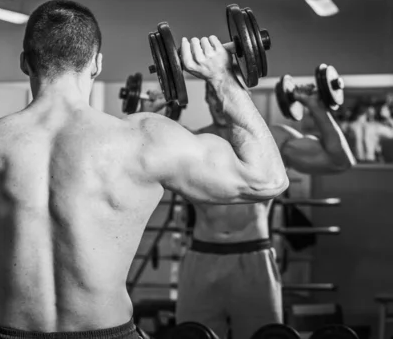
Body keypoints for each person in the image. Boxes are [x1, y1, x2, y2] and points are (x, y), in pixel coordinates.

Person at [0, 0, 288, 339]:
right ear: (97, 63)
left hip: (13, 334)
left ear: (26, 62)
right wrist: (224, 79)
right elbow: (268, 178)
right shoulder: (142, 140)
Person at [141, 75, 356, 339]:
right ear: (206, 97)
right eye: (213, 94)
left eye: (225, 94)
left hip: (255, 260)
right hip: (201, 258)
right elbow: (143, 156)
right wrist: (149, 116)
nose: (220, 103)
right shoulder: (192, 142)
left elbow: (338, 161)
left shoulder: (273, 142)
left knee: (265, 337)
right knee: (192, 336)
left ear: (243, 96)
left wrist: (316, 106)